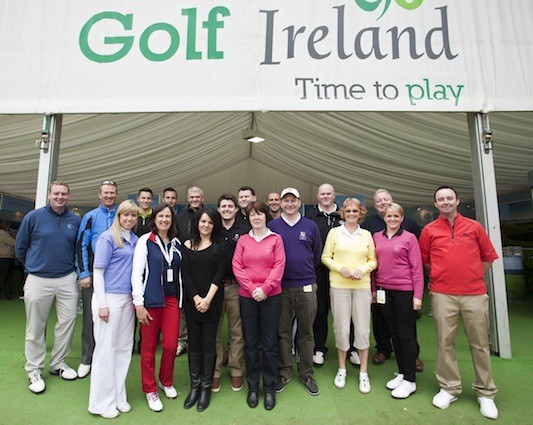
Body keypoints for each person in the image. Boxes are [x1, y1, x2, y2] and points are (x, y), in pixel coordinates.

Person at [420, 186, 499, 420]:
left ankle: (485, 392)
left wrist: (471, 275)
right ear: (435, 204)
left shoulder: (474, 227)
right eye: (440, 199)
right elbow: (426, 261)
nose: (445, 202)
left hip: (474, 293)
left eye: (449, 198)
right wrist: (443, 275)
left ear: (457, 201)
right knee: (445, 343)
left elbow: (488, 258)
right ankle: (449, 388)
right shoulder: (429, 230)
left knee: (480, 343)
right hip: (442, 294)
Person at [15, 181, 81, 393]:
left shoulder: (75, 220)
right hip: (38, 278)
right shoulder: (33, 217)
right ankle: (34, 369)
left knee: (68, 322)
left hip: (67, 278)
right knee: (35, 326)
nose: (60, 197)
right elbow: (20, 247)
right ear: (49, 194)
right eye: (56, 193)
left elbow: (78, 248)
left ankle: (58, 364)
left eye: (63, 194)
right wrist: (35, 266)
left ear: (68, 196)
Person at [361, 188, 423, 372]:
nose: (382, 203)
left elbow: (417, 262)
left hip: (404, 287)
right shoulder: (370, 227)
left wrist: (418, 294)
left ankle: (413, 356)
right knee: (381, 320)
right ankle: (383, 350)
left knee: (406, 326)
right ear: (374, 204)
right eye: (378, 201)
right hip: (381, 286)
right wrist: (373, 287)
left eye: (385, 199)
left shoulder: (410, 227)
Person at [88, 200, 139, 419]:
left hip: (127, 300)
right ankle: (100, 403)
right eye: (125, 215)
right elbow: (97, 272)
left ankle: (118, 396)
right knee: (105, 351)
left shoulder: (135, 240)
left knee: (123, 349)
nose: (129, 219)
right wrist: (102, 304)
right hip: (108, 298)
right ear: (118, 216)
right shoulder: (107, 238)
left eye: (133, 216)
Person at [232, 201, 286, 410]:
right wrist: (252, 288)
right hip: (247, 297)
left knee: (270, 343)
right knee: (251, 343)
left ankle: (269, 388)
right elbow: (237, 266)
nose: (256, 218)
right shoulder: (244, 240)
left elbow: (279, 265)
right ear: (249, 218)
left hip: (271, 297)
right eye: (252, 215)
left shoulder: (276, 239)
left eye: (260, 214)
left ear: (266, 217)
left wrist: (265, 288)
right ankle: (253, 387)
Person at [269, 188, 322, 396]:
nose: (289, 204)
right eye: (286, 200)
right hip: (280, 287)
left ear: (299, 202)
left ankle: (307, 373)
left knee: (306, 331)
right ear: (281, 203)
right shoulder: (273, 226)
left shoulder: (310, 225)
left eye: (293, 200)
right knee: (282, 332)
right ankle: (284, 371)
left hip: (306, 286)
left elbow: (316, 253)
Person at [321, 198, 377, 394]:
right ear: (343, 213)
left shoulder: (366, 235)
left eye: (355, 211)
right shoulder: (334, 233)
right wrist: (340, 268)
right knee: (342, 329)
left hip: (361, 286)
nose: (352, 214)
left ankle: (363, 372)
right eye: (348, 211)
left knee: (362, 330)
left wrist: (362, 269)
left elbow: (373, 261)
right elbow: (325, 257)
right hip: (339, 286)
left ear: (360, 213)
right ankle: (342, 369)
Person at [132, 203, 183, 412]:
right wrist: (138, 303)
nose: (164, 220)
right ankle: (150, 389)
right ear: (155, 219)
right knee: (148, 348)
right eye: (161, 216)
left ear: (172, 220)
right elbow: (137, 273)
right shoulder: (145, 241)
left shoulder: (177, 243)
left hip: (171, 300)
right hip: (151, 300)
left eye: (168, 217)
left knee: (171, 345)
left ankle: (165, 381)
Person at [372, 203, 423, 399]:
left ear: (402, 218)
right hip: (384, 291)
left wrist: (417, 296)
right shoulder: (377, 236)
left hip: (404, 292)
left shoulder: (409, 238)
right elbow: (375, 267)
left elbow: (417, 269)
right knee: (393, 332)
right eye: (389, 216)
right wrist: (374, 289)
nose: (392, 219)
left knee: (406, 335)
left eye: (396, 216)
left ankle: (410, 380)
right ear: (384, 217)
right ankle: (402, 373)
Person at [182, 208, 226, 412]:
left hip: (212, 303)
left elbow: (219, 275)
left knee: (209, 345)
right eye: (202, 222)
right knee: (194, 344)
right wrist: (196, 298)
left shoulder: (219, 248)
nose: (206, 225)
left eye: (209, 222)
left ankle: (206, 388)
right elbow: (186, 275)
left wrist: (207, 299)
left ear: (214, 225)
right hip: (193, 303)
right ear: (197, 224)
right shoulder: (187, 246)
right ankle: (195, 386)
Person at [76, 180, 118, 379]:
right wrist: (84, 274)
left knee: (116, 316)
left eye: (113, 193)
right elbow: (81, 245)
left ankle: (111, 357)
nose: (109, 196)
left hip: (118, 275)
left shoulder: (121, 214)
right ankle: (87, 358)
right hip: (94, 274)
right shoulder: (90, 217)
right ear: (99, 195)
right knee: (90, 318)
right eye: (106, 193)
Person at [212, 194, 248, 392]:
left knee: (236, 330)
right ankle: (215, 371)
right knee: (214, 330)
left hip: (236, 286)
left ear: (236, 209)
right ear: (218, 209)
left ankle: (235, 369)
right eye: (223, 206)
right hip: (215, 287)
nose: (226, 209)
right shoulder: (212, 228)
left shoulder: (244, 230)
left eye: (230, 206)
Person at [305, 183, 342, 366]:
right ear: (317, 196)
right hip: (318, 270)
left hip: (343, 272)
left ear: (334, 195)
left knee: (343, 311)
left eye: (329, 193)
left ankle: (349, 348)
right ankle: (319, 348)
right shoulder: (310, 217)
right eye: (322, 194)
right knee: (319, 310)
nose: (326, 196)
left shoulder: (344, 214)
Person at [176, 186, 204, 356]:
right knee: (184, 305)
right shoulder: (179, 217)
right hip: (184, 265)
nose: (194, 199)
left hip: (204, 266)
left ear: (202, 198)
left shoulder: (208, 214)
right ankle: (182, 340)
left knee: (201, 302)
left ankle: (199, 339)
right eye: (191, 197)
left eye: (197, 197)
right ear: (188, 198)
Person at [0, 219, 16, 300]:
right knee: (2, 277)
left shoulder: (7, 233)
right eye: (7, 224)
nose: (9, 226)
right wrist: (12, 233)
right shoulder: (2, 233)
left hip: (9, 257)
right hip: (3, 258)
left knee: (9, 277)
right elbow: (14, 242)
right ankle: (7, 294)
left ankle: (8, 295)